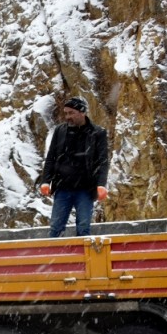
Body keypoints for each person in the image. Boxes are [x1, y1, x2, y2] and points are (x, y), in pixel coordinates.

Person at [36, 96, 110, 237]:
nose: (68, 116)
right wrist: (46, 181)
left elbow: (102, 162)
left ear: (82, 112)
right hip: (63, 188)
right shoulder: (60, 131)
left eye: (71, 113)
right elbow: (51, 158)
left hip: (85, 189)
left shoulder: (97, 133)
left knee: (83, 228)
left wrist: (101, 184)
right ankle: (55, 257)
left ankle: (83, 259)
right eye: (66, 113)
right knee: (56, 228)